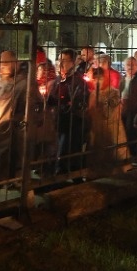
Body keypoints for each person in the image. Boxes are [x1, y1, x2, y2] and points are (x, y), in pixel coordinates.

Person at [48, 49, 89, 177]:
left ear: (72, 63)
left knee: (67, 152)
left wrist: (65, 104)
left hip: (72, 122)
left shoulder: (78, 81)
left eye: (64, 61)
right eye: (59, 60)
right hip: (58, 121)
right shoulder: (58, 79)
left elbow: (78, 103)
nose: (60, 64)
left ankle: (65, 175)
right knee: (57, 150)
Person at [86, 67, 130, 176]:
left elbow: (109, 112)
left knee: (113, 152)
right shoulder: (92, 94)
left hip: (112, 129)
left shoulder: (113, 92)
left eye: (100, 79)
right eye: (95, 79)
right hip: (97, 129)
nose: (97, 82)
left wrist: (102, 105)